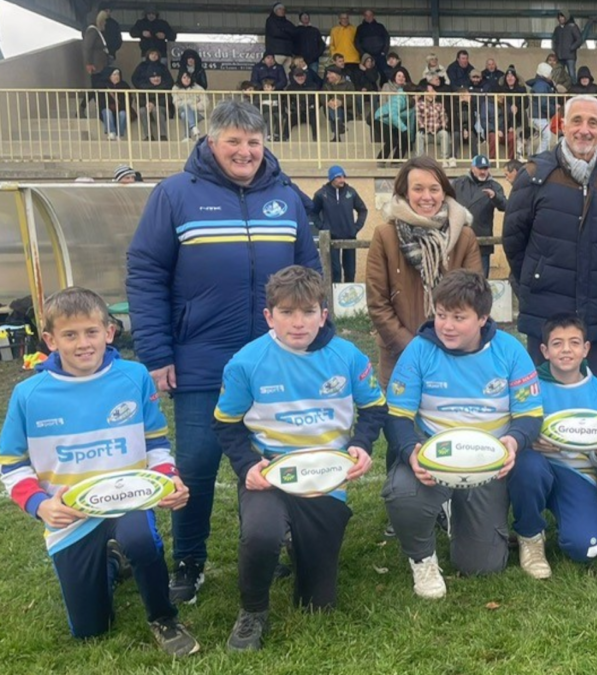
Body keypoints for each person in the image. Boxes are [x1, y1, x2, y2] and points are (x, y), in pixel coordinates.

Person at [126, 100, 321, 606]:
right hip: (200, 356)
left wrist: (320, 338)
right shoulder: (174, 194)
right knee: (195, 464)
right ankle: (189, 559)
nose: (245, 151)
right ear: (211, 143)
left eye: (253, 142)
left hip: (272, 359)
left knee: (266, 455)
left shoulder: (286, 195)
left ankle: (263, 543)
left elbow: (310, 269)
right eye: (233, 141)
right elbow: (145, 273)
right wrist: (155, 352)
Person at [0, 288, 198, 655]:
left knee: (140, 537)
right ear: (50, 339)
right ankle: (110, 560)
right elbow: (10, 464)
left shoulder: (134, 377)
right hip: (71, 517)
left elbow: (155, 443)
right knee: (91, 630)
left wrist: (169, 478)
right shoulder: (29, 395)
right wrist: (41, 505)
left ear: (109, 332)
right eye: (70, 335)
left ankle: (163, 617)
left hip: (129, 501)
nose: (82, 344)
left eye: (91, 332)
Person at [215, 266, 384, 650]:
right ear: (269, 316)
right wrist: (246, 467)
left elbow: (375, 408)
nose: (297, 323)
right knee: (261, 532)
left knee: (316, 604)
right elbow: (225, 425)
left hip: (325, 474)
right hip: (271, 472)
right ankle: (253, 611)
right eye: (287, 313)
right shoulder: (246, 362)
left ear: (323, 314)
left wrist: (361, 444)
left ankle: (299, 540)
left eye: (308, 312)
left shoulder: (348, 356)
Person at [383, 269, 542, 598]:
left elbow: (529, 416)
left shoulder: (510, 351)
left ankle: (457, 513)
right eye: (441, 315)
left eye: (459, 317)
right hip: (434, 457)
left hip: (487, 463)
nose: (447, 325)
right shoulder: (418, 350)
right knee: (401, 491)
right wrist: (411, 452)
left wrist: (512, 442)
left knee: (482, 566)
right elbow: (397, 416)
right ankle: (423, 560)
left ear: (483, 317)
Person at [503, 94, 597, 382]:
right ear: (563, 125)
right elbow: (514, 242)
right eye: (577, 120)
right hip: (545, 311)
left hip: (596, 314)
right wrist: (535, 278)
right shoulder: (534, 176)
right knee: (540, 401)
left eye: (593, 122)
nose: (584, 129)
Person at [508, 314, 597, 578]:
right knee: (528, 466)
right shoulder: (530, 387)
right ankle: (530, 533)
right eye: (557, 343)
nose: (566, 350)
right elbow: (513, 428)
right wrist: (529, 441)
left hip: (579, 474)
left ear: (586, 349)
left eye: (574, 343)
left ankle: (579, 519)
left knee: (584, 548)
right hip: (539, 467)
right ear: (544, 350)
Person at [366, 156, 482, 386]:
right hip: (400, 354)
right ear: (405, 192)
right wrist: (412, 347)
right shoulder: (385, 235)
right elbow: (377, 302)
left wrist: (451, 341)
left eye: (434, 189)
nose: (427, 197)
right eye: (418, 189)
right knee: (401, 421)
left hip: (454, 355)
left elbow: (475, 296)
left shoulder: (465, 236)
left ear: (444, 192)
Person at [452, 155, 508, 279]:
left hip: (482, 243)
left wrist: (495, 197)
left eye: (486, 168)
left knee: (480, 282)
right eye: (480, 168)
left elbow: (505, 206)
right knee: (457, 282)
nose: (483, 171)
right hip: (458, 240)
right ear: (472, 168)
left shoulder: (495, 186)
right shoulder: (458, 183)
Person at [312, 166, 369, 284]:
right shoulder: (321, 194)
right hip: (331, 239)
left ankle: (349, 300)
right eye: (338, 177)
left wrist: (356, 228)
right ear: (331, 178)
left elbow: (362, 210)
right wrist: (322, 227)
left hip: (350, 237)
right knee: (335, 271)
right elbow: (313, 212)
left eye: (343, 176)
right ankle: (333, 299)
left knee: (350, 271)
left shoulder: (351, 192)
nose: (342, 180)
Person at [374, 70, 414, 162]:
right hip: (382, 118)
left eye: (403, 76)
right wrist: (404, 129)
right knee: (393, 140)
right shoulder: (400, 97)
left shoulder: (409, 100)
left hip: (393, 120)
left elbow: (407, 116)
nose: (401, 78)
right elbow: (393, 114)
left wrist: (409, 134)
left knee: (404, 139)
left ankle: (396, 161)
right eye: (399, 76)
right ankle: (381, 160)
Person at [414, 82, 452, 161]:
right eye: (432, 90)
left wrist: (442, 126)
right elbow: (418, 118)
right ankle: (419, 160)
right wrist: (422, 127)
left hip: (437, 133)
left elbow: (443, 117)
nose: (435, 92)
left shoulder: (439, 105)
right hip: (426, 134)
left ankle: (444, 159)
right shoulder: (419, 104)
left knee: (444, 134)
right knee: (418, 135)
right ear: (425, 93)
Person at [527, 62, 558, 156]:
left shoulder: (540, 84)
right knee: (547, 137)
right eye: (550, 73)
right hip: (539, 116)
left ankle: (537, 156)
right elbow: (543, 103)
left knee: (543, 136)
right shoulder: (541, 86)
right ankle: (539, 157)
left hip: (538, 115)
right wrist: (554, 110)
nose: (551, 75)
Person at [136, 69, 174, 142]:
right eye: (153, 77)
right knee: (142, 111)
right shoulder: (143, 87)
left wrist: (154, 104)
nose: (156, 78)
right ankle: (149, 136)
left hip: (164, 110)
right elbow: (140, 100)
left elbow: (168, 100)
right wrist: (147, 104)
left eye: (158, 76)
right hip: (148, 109)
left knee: (156, 109)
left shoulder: (165, 86)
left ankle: (163, 136)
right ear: (149, 78)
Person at [284, 68, 320, 141]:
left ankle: (316, 138)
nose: (300, 78)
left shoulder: (313, 86)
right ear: (294, 77)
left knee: (314, 118)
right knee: (289, 119)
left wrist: (312, 107)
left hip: (309, 111)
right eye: (298, 76)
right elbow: (286, 101)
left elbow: (318, 100)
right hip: (296, 111)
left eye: (302, 76)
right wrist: (293, 109)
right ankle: (284, 137)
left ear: (305, 76)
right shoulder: (290, 88)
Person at [172, 71, 207, 141]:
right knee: (185, 107)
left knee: (184, 115)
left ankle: (187, 136)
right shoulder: (176, 88)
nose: (186, 79)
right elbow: (176, 103)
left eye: (188, 77)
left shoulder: (198, 88)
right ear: (180, 78)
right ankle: (193, 127)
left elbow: (205, 103)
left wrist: (193, 106)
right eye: (184, 77)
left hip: (198, 113)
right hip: (181, 110)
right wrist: (188, 104)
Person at [99, 68, 131, 140]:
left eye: (118, 74)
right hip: (108, 109)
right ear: (109, 76)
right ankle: (111, 132)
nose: (117, 76)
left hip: (121, 109)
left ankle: (119, 134)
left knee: (123, 114)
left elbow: (128, 100)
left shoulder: (124, 85)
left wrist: (119, 107)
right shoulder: (103, 86)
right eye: (114, 75)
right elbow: (101, 101)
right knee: (107, 112)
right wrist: (111, 106)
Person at [552, 10, 584, 82]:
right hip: (560, 56)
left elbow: (579, 40)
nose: (561, 18)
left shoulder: (573, 27)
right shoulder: (557, 29)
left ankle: (573, 90)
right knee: (559, 74)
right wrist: (555, 49)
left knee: (572, 74)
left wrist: (571, 48)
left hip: (570, 56)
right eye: (559, 17)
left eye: (562, 17)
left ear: (566, 17)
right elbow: (554, 40)